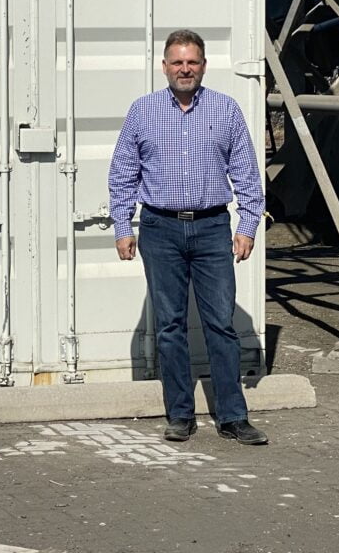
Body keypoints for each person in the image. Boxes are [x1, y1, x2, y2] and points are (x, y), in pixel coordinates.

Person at [108, 29, 268, 445]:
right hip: (160, 230)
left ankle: (233, 416)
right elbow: (123, 174)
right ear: (164, 66)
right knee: (169, 326)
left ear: (203, 66)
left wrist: (247, 226)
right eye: (177, 62)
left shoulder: (226, 109)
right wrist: (123, 227)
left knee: (221, 324)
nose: (185, 69)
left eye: (192, 62)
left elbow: (248, 176)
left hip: (213, 228)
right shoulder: (142, 112)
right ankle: (180, 415)